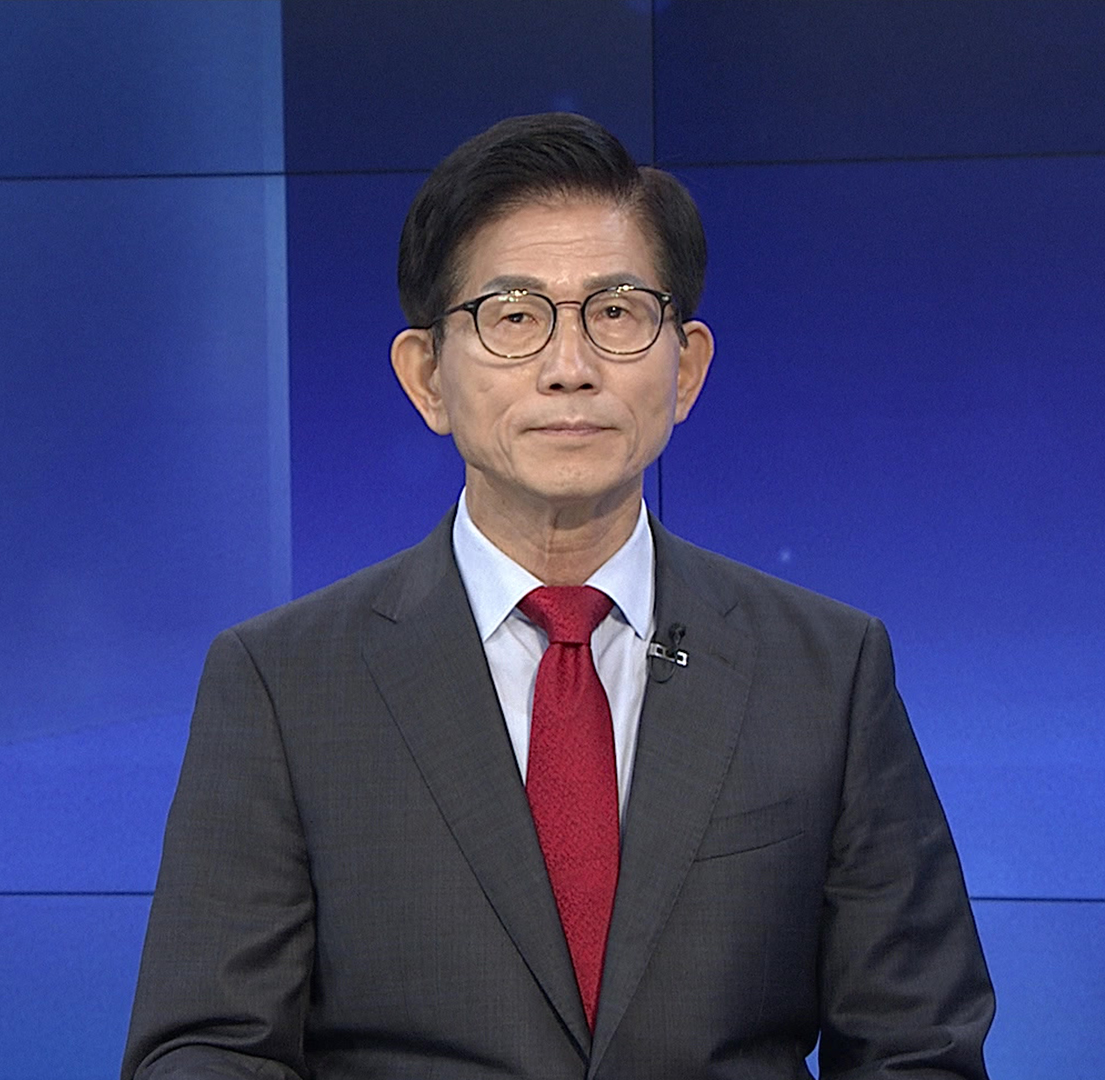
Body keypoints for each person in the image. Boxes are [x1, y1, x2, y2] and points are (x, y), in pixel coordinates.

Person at [121, 112, 993, 1079]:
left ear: (686, 367)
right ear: (427, 376)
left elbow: (918, 1047)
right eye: (514, 316)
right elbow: (209, 1049)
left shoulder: (826, 672)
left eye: (616, 313)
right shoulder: (284, 683)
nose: (570, 368)